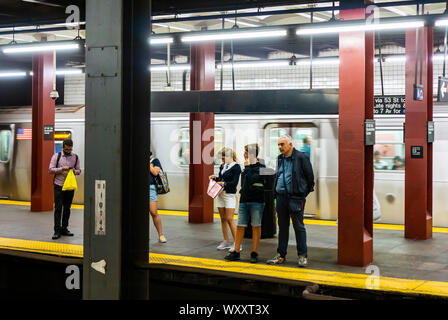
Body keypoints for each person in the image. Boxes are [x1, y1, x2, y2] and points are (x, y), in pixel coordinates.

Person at [267, 135, 315, 267]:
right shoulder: (280, 158)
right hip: (281, 197)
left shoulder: (301, 157)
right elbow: (279, 175)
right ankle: (281, 255)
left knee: (298, 227)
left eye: (282, 144)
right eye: (278, 145)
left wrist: (302, 193)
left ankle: (302, 256)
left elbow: (310, 177)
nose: (280, 147)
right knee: (282, 227)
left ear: (290, 144)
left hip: (295, 198)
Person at [225, 144, 265, 263]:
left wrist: (248, 168)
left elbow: (254, 179)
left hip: (257, 201)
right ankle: (236, 251)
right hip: (244, 200)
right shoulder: (246, 167)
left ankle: (254, 252)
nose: (244, 154)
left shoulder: (261, 167)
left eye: (246, 152)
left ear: (252, 154)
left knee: (256, 226)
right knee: (240, 225)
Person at [209, 148, 242, 252]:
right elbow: (222, 179)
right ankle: (226, 241)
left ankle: (237, 244)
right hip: (220, 194)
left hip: (229, 195)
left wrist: (223, 183)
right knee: (223, 219)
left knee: (229, 219)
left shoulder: (236, 167)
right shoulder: (223, 166)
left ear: (229, 156)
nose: (222, 159)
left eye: (223, 157)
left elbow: (234, 183)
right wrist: (215, 178)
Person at [49, 139, 81, 240]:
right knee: (58, 208)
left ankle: (64, 228)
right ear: (63, 147)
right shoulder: (56, 156)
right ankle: (56, 231)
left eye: (70, 149)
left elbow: (79, 170)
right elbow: (50, 170)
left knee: (67, 208)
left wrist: (73, 171)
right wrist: (62, 169)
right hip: (59, 185)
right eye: (67, 149)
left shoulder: (75, 157)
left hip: (70, 186)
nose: (69, 151)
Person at [150, 151, 167, 243]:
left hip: (151, 188)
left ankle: (161, 235)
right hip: (139, 187)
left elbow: (155, 172)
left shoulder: (155, 161)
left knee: (153, 212)